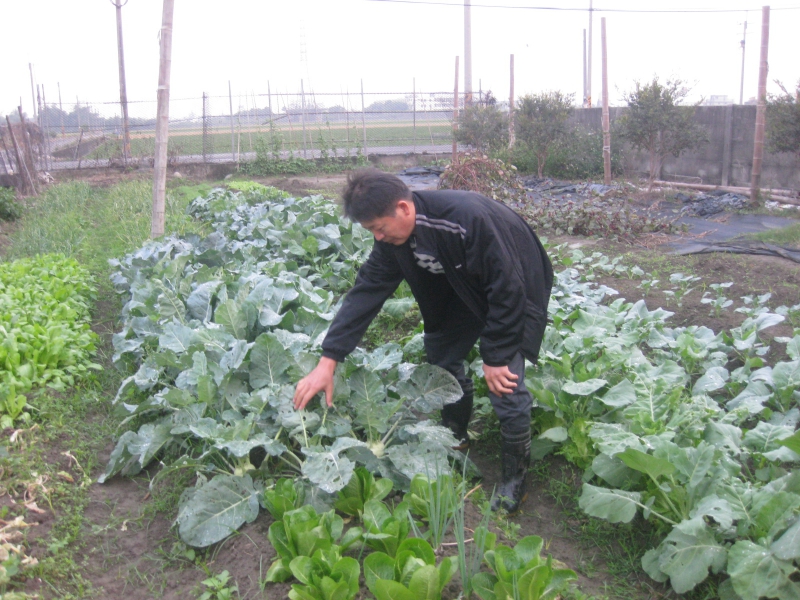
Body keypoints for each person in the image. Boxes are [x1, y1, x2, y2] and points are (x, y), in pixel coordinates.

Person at [293, 168, 553, 514]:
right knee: (442, 357)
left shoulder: (467, 219)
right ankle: (456, 434)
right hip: (460, 288)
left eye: (379, 228)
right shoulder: (392, 241)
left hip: (516, 286)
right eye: (371, 231)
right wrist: (329, 360)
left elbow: (508, 288)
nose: (378, 237)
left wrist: (496, 356)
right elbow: (367, 291)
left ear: (403, 208)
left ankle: (514, 481)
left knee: (505, 382)